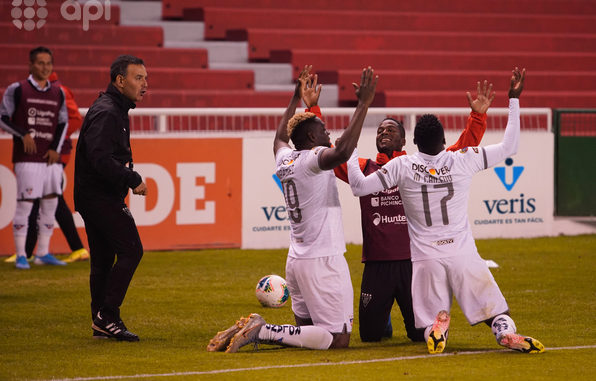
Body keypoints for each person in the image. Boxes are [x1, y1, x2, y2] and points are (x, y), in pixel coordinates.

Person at [346, 67, 544, 354]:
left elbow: (358, 187)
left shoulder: (402, 166)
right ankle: (503, 331)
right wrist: (513, 99)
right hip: (462, 252)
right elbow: (510, 145)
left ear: (413, 143)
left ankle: (438, 329)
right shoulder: (462, 158)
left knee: (428, 319)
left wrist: (351, 149)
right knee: (496, 310)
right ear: (443, 141)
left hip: (426, 258)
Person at [303, 79, 493, 342]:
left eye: (390, 130)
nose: (383, 133)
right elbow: (320, 153)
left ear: (404, 140)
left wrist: (477, 115)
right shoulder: (363, 168)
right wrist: (313, 109)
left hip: (413, 263)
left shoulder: (419, 167)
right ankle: (384, 316)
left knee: (419, 335)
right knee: (370, 336)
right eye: (380, 130)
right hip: (376, 265)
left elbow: (462, 147)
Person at [207, 65, 378, 353]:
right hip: (322, 261)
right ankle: (263, 330)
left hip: (296, 261)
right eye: (323, 131)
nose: (328, 135)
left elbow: (279, 138)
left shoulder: (284, 158)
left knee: (306, 331)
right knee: (337, 339)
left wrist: (295, 98)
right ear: (312, 140)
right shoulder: (312, 159)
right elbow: (343, 151)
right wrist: (363, 104)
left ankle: (256, 329)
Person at [74, 55, 148, 341]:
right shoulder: (108, 111)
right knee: (132, 251)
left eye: (146, 78)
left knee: (103, 260)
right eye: (138, 78)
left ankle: (100, 321)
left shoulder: (113, 108)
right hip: (99, 196)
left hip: (92, 195)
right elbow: (99, 158)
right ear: (120, 80)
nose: (144, 85)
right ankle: (108, 314)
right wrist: (132, 179)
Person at [4, 72, 90, 264]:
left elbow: (73, 119)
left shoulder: (58, 92)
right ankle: (41, 251)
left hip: (53, 152)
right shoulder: (46, 91)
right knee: (49, 199)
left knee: (44, 199)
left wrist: (49, 138)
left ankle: (28, 252)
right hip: (46, 152)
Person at [0, 46, 68, 269]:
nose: (45, 67)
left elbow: (62, 122)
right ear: (30, 65)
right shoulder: (17, 89)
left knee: (50, 202)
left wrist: (56, 149)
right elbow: (2, 118)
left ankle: (43, 252)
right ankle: (20, 254)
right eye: (40, 63)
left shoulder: (58, 92)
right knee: (25, 205)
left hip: (50, 159)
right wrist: (22, 134)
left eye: (49, 63)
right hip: (27, 158)